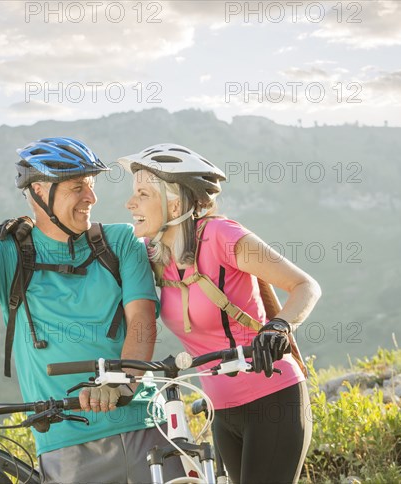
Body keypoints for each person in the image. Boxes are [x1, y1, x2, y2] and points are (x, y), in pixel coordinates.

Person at [0, 137, 184, 484]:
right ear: (40, 191)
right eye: (78, 188)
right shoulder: (9, 251)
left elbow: (142, 321)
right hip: (66, 444)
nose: (92, 197)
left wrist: (120, 383)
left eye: (91, 186)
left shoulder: (120, 241)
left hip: (145, 427)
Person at [120, 143, 322, 484]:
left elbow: (305, 286)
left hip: (271, 398)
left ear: (174, 201)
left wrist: (279, 327)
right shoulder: (156, 254)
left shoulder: (220, 237)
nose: (130, 203)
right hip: (220, 410)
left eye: (142, 193)